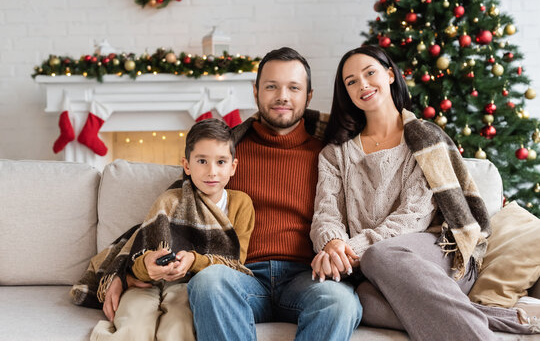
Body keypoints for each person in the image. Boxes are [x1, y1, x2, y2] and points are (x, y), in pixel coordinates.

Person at [310, 44, 537, 340]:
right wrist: (333, 244)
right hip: (373, 270)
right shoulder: (334, 153)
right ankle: (482, 317)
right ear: (346, 92)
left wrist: (352, 251)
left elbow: (413, 217)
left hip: (437, 255)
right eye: (351, 81)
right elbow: (326, 212)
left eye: (370, 73)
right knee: (359, 300)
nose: (362, 84)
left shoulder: (422, 137)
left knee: (381, 255)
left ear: (390, 75)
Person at [187, 47, 363, 340]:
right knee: (208, 281)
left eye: (293, 88)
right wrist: (123, 270)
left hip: (308, 276)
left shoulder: (331, 155)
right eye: (271, 86)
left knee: (341, 302)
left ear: (308, 96)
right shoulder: (225, 155)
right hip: (241, 275)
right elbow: (176, 208)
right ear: (255, 92)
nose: (282, 96)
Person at [72, 118, 255, 341]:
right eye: (202, 161)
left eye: (221, 162)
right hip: (147, 283)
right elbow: (139, 256)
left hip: (188, 286)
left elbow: (235, 264)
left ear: (233, 166)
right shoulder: (169, 201)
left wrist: (193, 260)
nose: (212, 172)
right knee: (134, 325)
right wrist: (149, 266)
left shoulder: (241, 204)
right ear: (186, 165)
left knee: (179, 327)